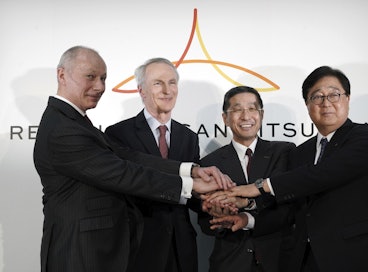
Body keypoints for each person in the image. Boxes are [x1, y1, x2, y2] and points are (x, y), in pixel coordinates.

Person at [33, 46, 233, 272]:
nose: (99, 86)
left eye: (103, 78)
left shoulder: (76, 122)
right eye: (90, 76)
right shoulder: (63, 128)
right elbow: (123, 172)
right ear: (62, 74)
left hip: (100, 250)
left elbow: (129, 157)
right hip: (80, 252)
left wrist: (191, 171)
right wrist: (191, 185)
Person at [208, 66, 368, 272]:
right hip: (307, 261)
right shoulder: (301, 153)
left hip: (359, 258)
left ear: (347, 99)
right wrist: (247, 216)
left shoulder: (366, 136)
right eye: (317, 97)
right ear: (308, 105)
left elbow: (324, 174)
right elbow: (291, 209)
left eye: (334, 95)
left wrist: (259, 187)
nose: (326, 103)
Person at [105, 57, 202, 272]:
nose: (167, 90)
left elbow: (192, 193)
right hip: (139, 246)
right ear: (141, 90)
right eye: (158, 83)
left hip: (182, 248)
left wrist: (213, 204)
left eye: (172, 82)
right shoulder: (118, 134)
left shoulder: (189, 137)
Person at [198, 86, 295, 272]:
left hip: (279, 260)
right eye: (237, 109)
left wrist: (245, 205)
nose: (245, 116)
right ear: (225, 118)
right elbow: (203, 222)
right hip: (229, 263)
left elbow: (286, 204)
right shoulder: (209, 164)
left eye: (252, 109)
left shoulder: (284, 152)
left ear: (262, 115)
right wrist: (218, 216)